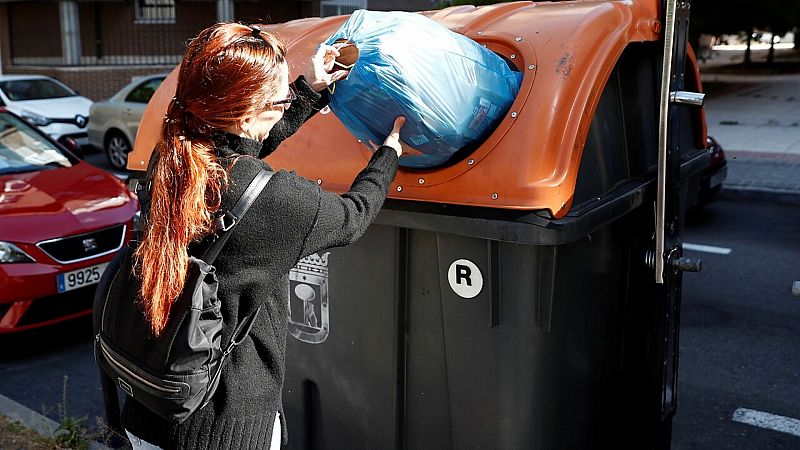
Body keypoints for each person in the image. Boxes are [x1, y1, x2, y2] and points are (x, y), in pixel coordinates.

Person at [121, 22, 409, 449]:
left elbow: (240, 150)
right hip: (225, 428)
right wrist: (388, 156)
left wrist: (309, 89)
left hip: (150, 401)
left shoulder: (172, 157)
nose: (285, 102)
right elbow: (353, 216)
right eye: (280, 97)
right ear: (245, 110)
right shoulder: (276, 199)